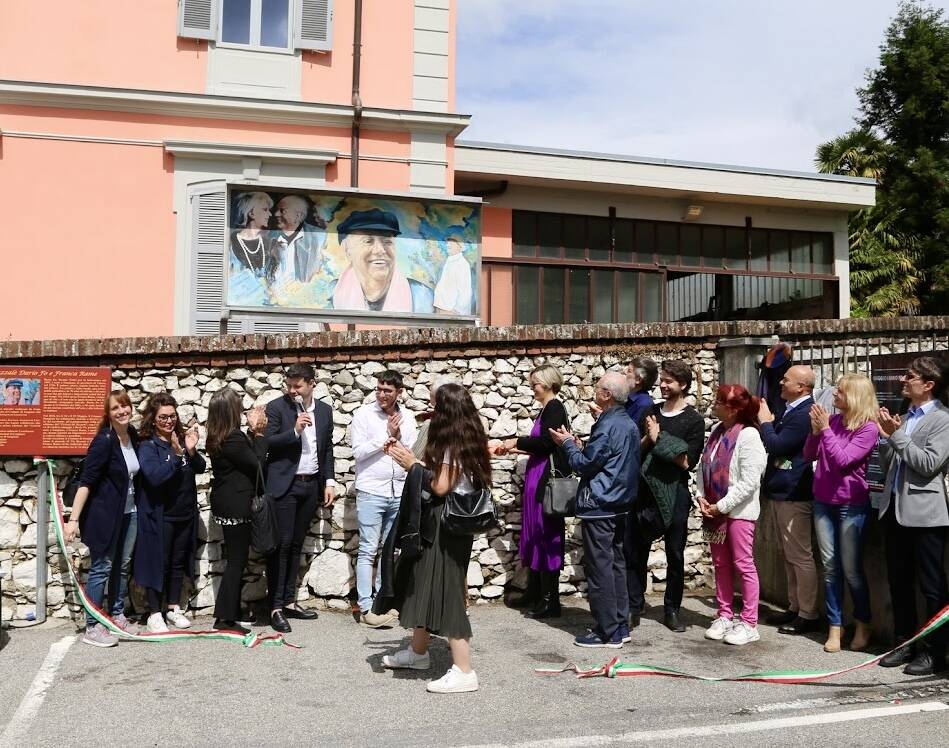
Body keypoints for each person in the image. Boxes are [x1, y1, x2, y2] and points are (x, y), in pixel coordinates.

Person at [381, 383, 492, 693]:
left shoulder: (452, 442)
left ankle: (464, 670)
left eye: (433, 405)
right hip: (445, 525)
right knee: (425, 582)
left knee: (448, 592)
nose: (429, 410)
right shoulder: (463, 435)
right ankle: (418, 653)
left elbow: (441, 486)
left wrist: (412, 464)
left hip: (446, 526)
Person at [550, 371, 640, 648]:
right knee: (616, 565)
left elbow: (584, 465)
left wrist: (566, 444)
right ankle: (620, 625)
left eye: (598, 387)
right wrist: (580, 445)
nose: (594, 390)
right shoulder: (627, 423)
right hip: (621, 503)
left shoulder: (608, 424)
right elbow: (604, 458)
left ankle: (607, 631)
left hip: (601, 504)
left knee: (600, 569)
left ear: (607, 395)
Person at [877, 356, 949, 676]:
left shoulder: (943, 420)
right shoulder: (905, 416)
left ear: (929, 384)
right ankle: (903, 642)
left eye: (910, 376)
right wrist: (886, 436)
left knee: (932, 586)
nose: (903, 380)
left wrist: (897, 436)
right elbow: (893, 460)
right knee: (899, 581)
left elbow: (928, 463)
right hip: (894, 509)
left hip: (927, 515)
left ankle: (935, 652)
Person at [803, 373, 879, 653]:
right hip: (823, 500)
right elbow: (810, 455)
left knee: (851, 569)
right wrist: (815, 432)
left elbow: (843, 460)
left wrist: (825, 431)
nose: (834, 395)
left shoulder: (867, 429)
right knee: (830, 567)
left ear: (855, 396)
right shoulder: (832, 422)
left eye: (840, 392)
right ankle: (836, 625)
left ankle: (863, 622)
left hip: (851, 503)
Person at [627, 360, 705, 633]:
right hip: (645, 490)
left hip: (676, 492)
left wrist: (660, 439)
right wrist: (650, 439)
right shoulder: (649, 411)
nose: (662, 384)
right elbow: (635, 449)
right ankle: (634, 606)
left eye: (669, 381)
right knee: (636, 551)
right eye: (661, 379)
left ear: (682, 385)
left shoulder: (693, 420)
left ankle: (672, 609)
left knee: (675, 553)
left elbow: (687, 462)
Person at [64, 390, 140, 647]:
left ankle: (116, 614)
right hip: (104, 517)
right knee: (101, 568)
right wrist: (73, 520)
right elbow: (87, 482)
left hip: (130, 513)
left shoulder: (132, 437)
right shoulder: (104, 440)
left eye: (125, 406)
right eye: (116, 408)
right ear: (108, 414)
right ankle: (93, 626)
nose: (122, 411)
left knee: (123, 565)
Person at [264, 363, 336, 632]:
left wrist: (329, 480)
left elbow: (327, 448)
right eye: (289, 386)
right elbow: (268, 441)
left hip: (310, 485)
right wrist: (294, 430)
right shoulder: (276, 407)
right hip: (285, 485)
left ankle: (290, 601)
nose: (293, 391)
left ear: (311, 384)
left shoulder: (325, 411)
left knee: (296, 546)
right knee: (280, 546)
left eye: (298, 386)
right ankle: (275, 607)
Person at [495, 364, 570, 618]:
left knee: (546, 534)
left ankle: (549, 600)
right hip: (537, 477)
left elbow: (547, 443)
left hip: (544, 481)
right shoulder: (547, 410)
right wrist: (516, 449)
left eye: (535, 382)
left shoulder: (555, 408)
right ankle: (538, 593)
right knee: (537, 534)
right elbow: (541, 446)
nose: (532, 386)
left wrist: (515, 441)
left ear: (548, 383)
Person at [697, 385, 767, 646]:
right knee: (720, 564)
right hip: (714, 511)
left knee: (743, 564)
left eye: (718, 402)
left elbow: (749, 481)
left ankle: (749, 622)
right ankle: (724, 614)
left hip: (738, 512)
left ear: (734, 408)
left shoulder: (749, 435)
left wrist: (722, 505)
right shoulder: (717, 432)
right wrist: (702, 497)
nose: (713, 405)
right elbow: (703, 466)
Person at [350, 369, 418, 626]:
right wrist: (385, 437)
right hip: (371, 490)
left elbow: (411, 450)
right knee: (368, 548)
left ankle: (382, 602)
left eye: (387, 390)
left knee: (390, 550)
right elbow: (358, 452)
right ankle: (366, 606)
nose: (381, 394)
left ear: (399, 392)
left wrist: (397, 436)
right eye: (378, 389)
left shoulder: (408, 417)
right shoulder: (364, 415)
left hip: (398, 490)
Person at [757, 365, 820, 636]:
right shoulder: (792, 409)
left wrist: (766, 423)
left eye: (787, 380)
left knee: (800, 554)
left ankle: (808, 613)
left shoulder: (804, 414)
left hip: (795, 493)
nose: (781, 383)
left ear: (802, 388)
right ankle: (795, 607)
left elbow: (777, 446)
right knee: (789, 555)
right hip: (782, 490)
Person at [135, 393, 205, 632]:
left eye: (172, 416)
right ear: (153, 420)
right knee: (159, 563)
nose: (169, 421)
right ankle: (155, 612)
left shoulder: (182, 438)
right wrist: (176, 455)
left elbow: (200, 467)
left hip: (184, 514)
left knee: (177, 563)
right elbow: (155, 477)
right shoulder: (147, 446)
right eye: (163, 417)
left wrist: (191, 451)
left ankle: (173, 607)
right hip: (160, 515)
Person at [206, 388, 264, 635]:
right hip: (236, 504)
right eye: (239, 407)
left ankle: (231, 611)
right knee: (237, 561)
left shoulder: (217, 435)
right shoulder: (234, 438)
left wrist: (250, 433)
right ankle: (225, 618)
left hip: (225, 502)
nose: (243, 411)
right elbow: (257, 463)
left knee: (236, 559)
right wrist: (259, 433)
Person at [330, 208, 434, 313]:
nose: (380, 250)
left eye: (387, 241)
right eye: (368, 241)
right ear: (347, 249)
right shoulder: (330, 295)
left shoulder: (421, 296)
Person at [267, 194, 325, 286]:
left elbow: (324, 274)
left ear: (298, 216)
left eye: (282, 211)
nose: (276, 214)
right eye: (277, 210)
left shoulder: (319, 237)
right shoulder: (270, 238)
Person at [230, 191, 273, 276]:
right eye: (265, 209)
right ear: (251, 213)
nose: (270, 214)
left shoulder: (269, 242)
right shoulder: (231, 243)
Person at [434, 236, 473, 315]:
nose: (448, 244)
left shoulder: (462, 264)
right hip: (442, 308)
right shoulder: (450, 262)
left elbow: (465, 292)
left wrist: (457, 310)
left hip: (451, 312)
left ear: (460, 246)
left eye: (452, 242)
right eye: (448, 242)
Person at [624, 357, 658, 431]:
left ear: (638, 379)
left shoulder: (644, 404)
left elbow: (630, 433)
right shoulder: (628, 398)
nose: (625, 372)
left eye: (629, 371)